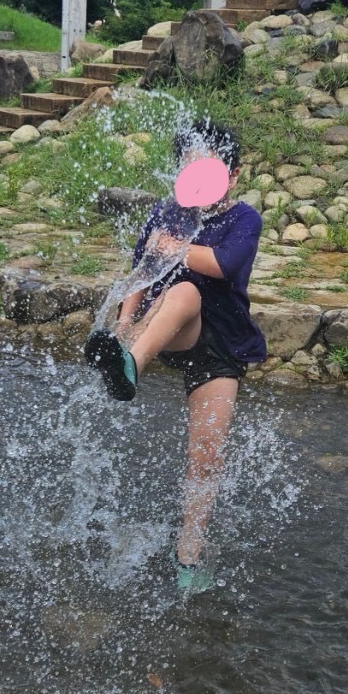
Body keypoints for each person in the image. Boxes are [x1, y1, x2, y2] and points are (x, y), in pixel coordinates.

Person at [84, 120, 266, 592]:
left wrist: (177, 249)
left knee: (205, 458)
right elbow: (141, 277)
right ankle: (127, 363)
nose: (195, 171)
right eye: (188, 162)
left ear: (233, 173)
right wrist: (124, 325)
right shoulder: (166, 214)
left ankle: (187, 558)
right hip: (173, 329)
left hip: (221, 347)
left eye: (207, 163)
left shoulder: (243, 218)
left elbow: (223, 265)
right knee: (182, 293)